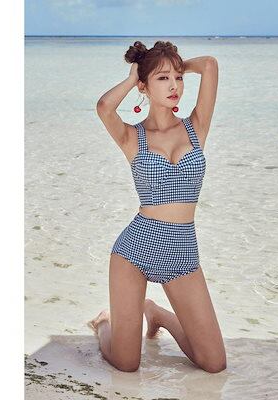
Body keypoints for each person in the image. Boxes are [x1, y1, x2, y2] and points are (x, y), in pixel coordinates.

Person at [88, 40, 226, 373]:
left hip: (182, 254)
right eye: (163, 79)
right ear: (144, 87)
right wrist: (135, 75)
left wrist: (173, 65)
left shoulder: (195, 127)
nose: (174, 85)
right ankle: (104, 322)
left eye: (178, 78)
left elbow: (209, 64)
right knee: (126, 364)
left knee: (214, 363)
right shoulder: (131, 136)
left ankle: (158, 313)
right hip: (134, 251)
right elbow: (105, 106)